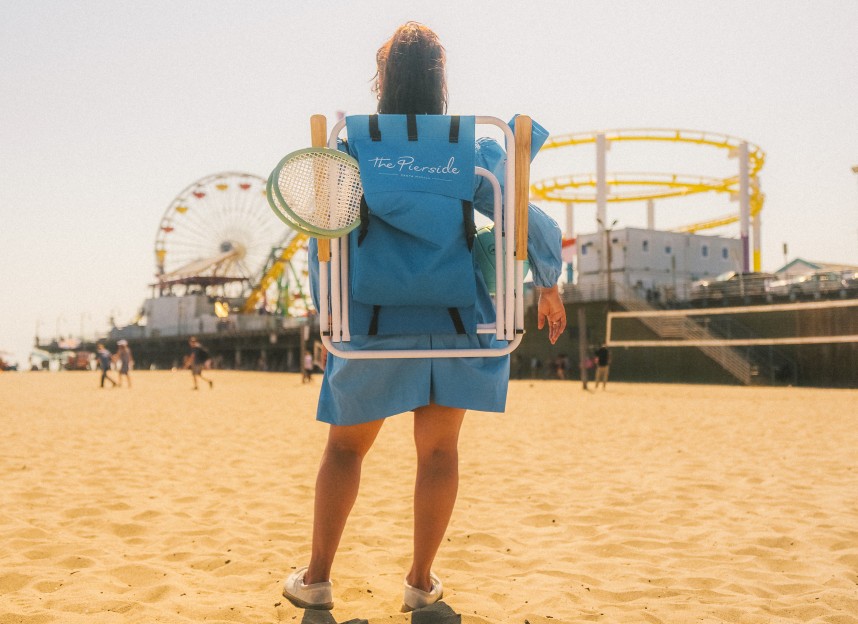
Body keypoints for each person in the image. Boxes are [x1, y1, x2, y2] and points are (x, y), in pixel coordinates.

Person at [281, 22, 566, 613]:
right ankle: (419, 581)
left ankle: (317, 579)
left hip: (371, 323)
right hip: (455, 321)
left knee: (345, 451)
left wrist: (328, 312)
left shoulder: (352, 146)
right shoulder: (470, 147)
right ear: (441, 82)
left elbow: (323, 241)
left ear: (383, 80)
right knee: (438, 453)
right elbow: (526, 216)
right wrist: (548, 284)